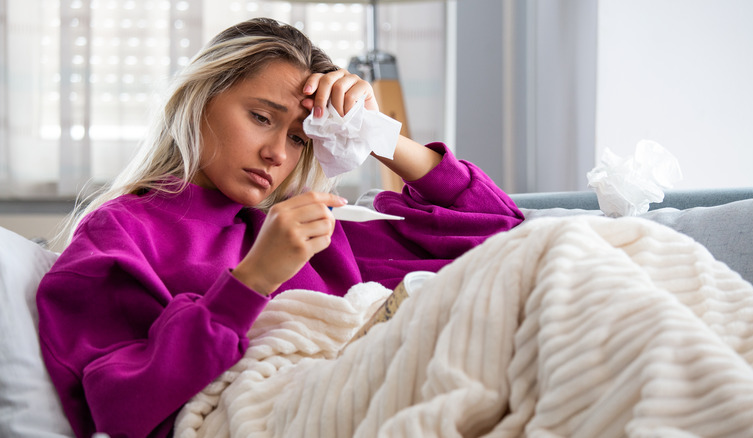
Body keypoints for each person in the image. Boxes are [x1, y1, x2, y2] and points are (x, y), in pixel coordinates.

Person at [36, 17, 525, 438]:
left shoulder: (306, 229)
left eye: (297, 136)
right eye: (259, 117)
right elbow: (118, 407)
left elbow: (503, 237)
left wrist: (380, 136)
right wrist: (253, 281)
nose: (278, 153)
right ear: (199, 99)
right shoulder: (122, 231)